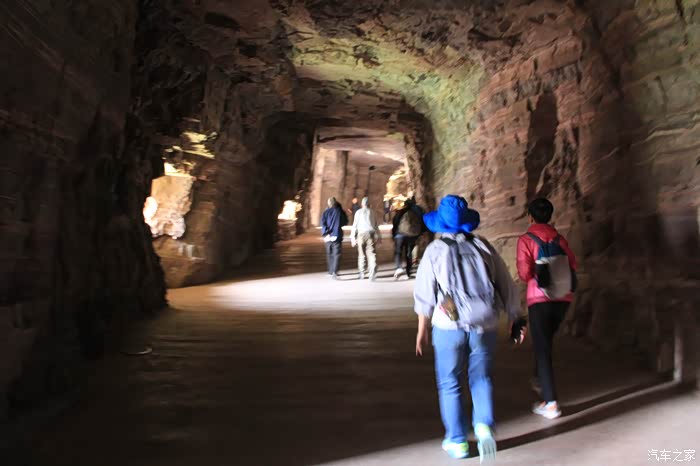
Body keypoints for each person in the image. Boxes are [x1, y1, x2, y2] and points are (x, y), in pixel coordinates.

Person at [414, 195, 525, 461]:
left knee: (449, 382)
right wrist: (515, 316)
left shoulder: (435, 251)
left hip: (448, 325)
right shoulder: (483, 246)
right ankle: (484, 424)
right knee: (481, 378)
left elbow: (425, 293)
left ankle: (457, 441)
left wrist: (422, 328)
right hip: (484, 322)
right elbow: (505, 283)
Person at [516, 198, 577, 420]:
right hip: (563, 297)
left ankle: (550, 403)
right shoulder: (560, 239)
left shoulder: (526, 240)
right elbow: (572, 264)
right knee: (545, 343)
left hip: (539, 298)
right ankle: (539, 380)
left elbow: (525, 273)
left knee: (542, 349)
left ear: (530, 217)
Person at [391, 196, 424, 279]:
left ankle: (399, 268)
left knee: (398, 251)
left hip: (400, 234)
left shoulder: (402, 211)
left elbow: (395, 221)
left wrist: (394, 234)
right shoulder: (417, 211)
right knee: (409, 252)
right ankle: (408, 272)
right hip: (412, 235)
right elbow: (422, 221)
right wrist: (420, 233)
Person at [350, 197, 380, 280]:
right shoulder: (372, 212)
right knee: (371, 253)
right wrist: (378, 236)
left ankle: (362, 272)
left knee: (361, 254)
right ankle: (372, 272)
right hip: (370, 234)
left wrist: (352, 238)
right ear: (368, 204)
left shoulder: (358, 212)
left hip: (361, 235)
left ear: (362, 204)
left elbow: (354, 226)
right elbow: (376, 225)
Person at [321, 197, 348, 279]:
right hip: (337, 234)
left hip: (328, 236)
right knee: (336, 254)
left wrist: (326, 233)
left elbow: (323, 223)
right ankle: (335, 272)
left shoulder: (325, 212)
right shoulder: (339, 211)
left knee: (329, 254)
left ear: (328, 204)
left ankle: (330, 271)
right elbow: (345, 221)